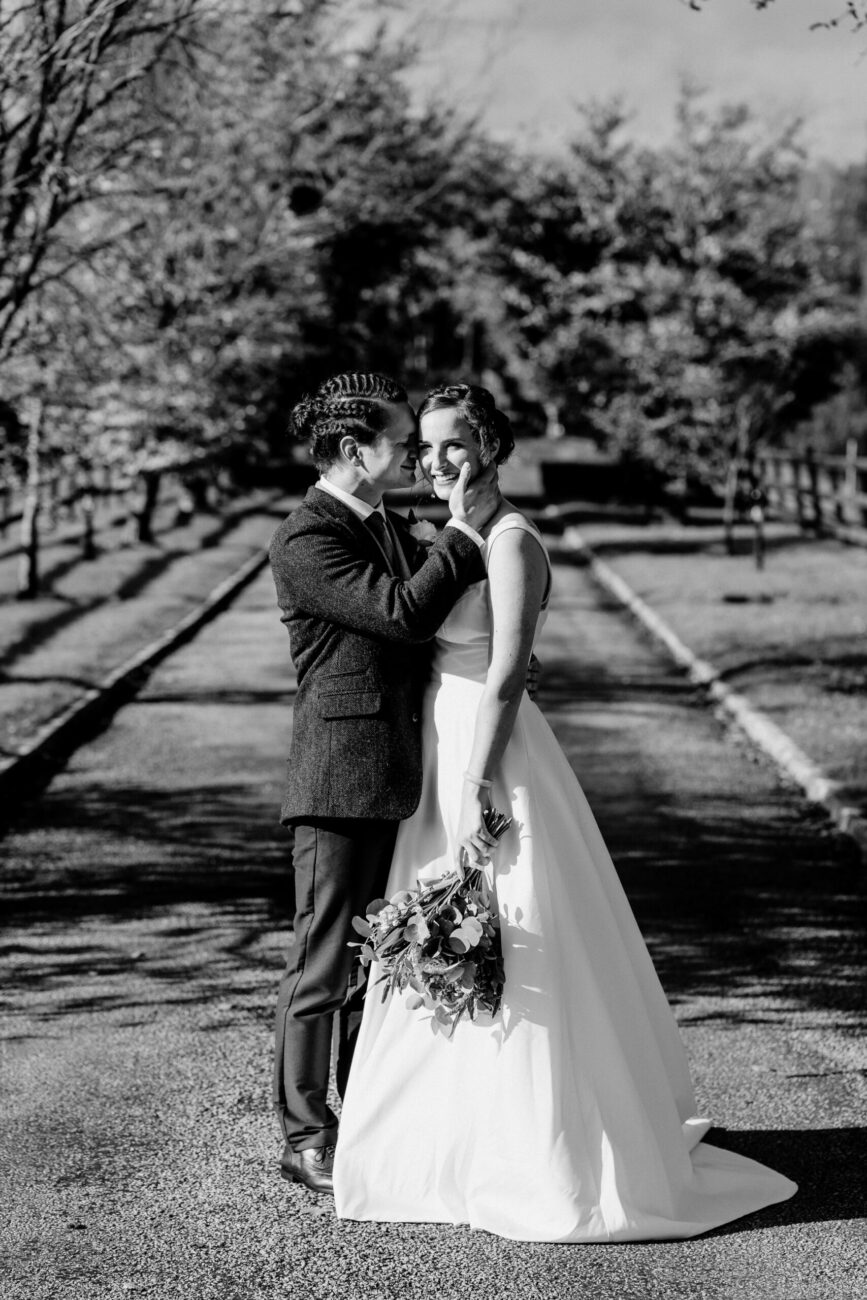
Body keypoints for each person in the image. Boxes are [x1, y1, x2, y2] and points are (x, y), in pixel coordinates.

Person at [333, 383, 797, 1241]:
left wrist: (477, 777)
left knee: (512, 924)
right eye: (426, 448)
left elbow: (506, 671)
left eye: (453, 446)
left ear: (491, 446)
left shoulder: (511, 542)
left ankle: (541, 1147)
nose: (435, 462)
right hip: (438, 746)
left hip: (487, 751)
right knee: (440, 923)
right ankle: (447, 1137)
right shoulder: (450, 535)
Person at [269, 371, 501, 1195]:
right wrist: (467, 537)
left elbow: (432, 626)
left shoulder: (388, 525)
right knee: (323, 963)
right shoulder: (307, 539)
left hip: (405, 773)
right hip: (338, 779)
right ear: (350, 450)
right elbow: (403, 611)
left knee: (381, 961)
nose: (412, 455)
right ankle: (304, 1136)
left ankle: (365, 1116)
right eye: (399, 442)